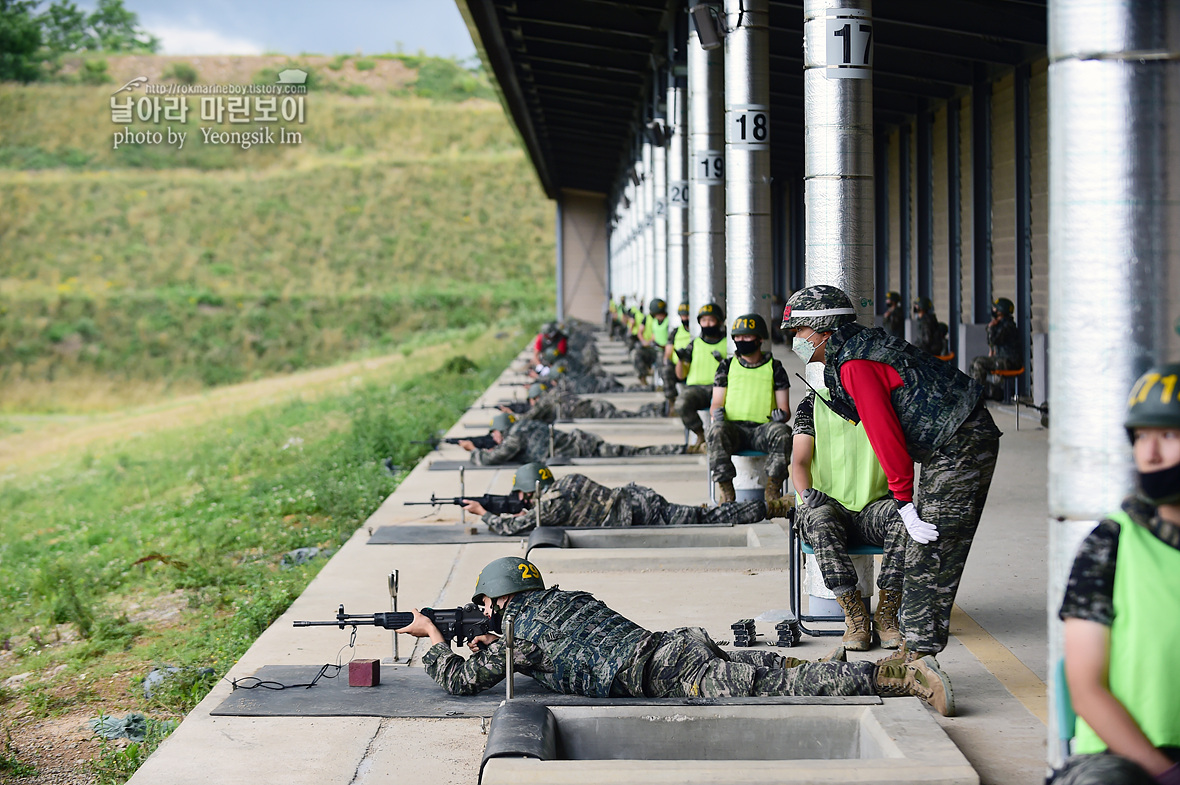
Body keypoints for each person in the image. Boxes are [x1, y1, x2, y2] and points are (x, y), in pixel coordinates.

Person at [397, 555, 954, 714]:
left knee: (778, 688)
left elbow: (463, 682)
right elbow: (554, 644)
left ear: (498, 601)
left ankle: (904, 676)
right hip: (674, 646)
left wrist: (435, 641)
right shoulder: (561, 601)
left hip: (666, 673)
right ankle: (838, 666)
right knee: (769, 673)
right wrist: (497, 644)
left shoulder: (517, 627)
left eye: (488, 606)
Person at [782, 285, 1001, 661]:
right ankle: (914, 653)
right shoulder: (860, 347)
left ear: (821, 327)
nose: (797, 340)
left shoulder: (854, 363)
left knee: (930, 555)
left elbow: (884, 434)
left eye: (800, 331)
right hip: (955, 440)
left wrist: (902, 500)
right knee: (930, 550)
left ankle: (914, 660)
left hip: (958, 445)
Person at [1051, 363, 1180, 785]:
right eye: (1142, 437)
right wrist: (1166, 773)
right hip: (1121, 758)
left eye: (1168, 435)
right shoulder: (1111, 542)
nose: (1151, 453)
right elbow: (1086, 688)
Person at [791, 388, 907, 651]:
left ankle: (886, 615)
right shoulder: (812, 403)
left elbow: (900, 454)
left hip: (871, 509)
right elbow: (799, 461)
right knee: (819, 519)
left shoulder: (882, 402)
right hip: (826, 506)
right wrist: (805, 492)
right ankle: (855, 616)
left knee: (904, 517)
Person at [464, 461, 793, 535]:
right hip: (642, 499)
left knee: (708, 517)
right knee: (705, 514)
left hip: (644, 514)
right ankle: (771, 506)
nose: (522, 499)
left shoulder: (550, 506)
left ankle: (772, 507)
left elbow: (513, 527)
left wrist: (483, 513)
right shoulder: (568, 479)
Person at [706, 313, 792, 504]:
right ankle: (726, 493)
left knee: (783, 432)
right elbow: (716, 403)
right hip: (734, 430)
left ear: (760, 339)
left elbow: (785, 409)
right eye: (738, 337)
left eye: (747, 337)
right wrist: (717, 412)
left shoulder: (775, 367)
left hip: (762, 430)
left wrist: (781, 415)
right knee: (716, 430)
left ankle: (772, 493)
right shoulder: (726, 366)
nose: (741, 341)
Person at [462, 413, 686, 466]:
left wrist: (474, 451)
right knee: (634, 452)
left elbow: (497, 457)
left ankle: (683, 451)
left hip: (584, 449)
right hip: (583, 443)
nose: (495, 438)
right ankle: (683, 450)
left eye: (495, 433)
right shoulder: (523, 425)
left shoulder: (515, 435)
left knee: (636, 453)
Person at [674, 303, 728, 453]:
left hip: (722, 389)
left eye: (711, 320)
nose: (707, 324)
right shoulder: (694, 344)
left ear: (719, 321)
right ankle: (700, 434)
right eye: (704, 321)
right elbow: (680, 375)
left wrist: (722, 361)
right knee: (681, 404)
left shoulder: (729, 343)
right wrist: (681, 360)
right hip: (697, 389)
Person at [516, 382, 664, 423]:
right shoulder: (554, 394)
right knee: (628, 414)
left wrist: (511, 416)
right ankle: (657, 408)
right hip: (595, 405)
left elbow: (527, 418)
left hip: (595, 410)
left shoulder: (544, 402)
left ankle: (659, 410)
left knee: (631, 417)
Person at [970, 297, 1021, 399]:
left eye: (995, 309)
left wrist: (991, 328)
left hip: (1009, 362)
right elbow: (991, 343)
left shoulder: (1007, 326)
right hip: (1002, 359)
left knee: (979, 363)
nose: (993, 311)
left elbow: (995, 340)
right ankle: (974, 392)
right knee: (974, 361)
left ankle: (978, 396)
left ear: (1001, 311)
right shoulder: (1001, 324)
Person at [662, 302, 694, 416]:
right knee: (666, 371)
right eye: (683, 315)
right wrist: (668, 360)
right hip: (679, 367)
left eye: (688, 315)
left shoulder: (698, 332)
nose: (685, 318)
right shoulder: (676, 332)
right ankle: (672, 403)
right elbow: (668, 352)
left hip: (695, 368)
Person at [631, 298, 670, 388]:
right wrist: (647, 342)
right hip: (654, 348)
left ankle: (661, 383)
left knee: (661, 359)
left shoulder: (668, 321)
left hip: (664, 349)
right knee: (636, 353)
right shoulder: (654, 321)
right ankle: (643, 376)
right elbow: (653, 334)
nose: (660, 317)